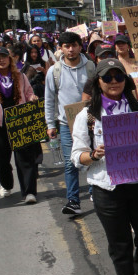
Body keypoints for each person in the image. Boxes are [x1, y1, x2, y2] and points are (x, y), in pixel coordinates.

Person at [71, 59, 138, 275]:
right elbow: (77, 157)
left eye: (118, 76)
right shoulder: (87, 116)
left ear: (125, 80)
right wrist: (94, 154)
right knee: (119, 245)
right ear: (98, 82)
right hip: (107, 189)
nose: (113, 82)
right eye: (107, 77)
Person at [44, 31, 96, 215]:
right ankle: (73, 200)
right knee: (70, 163)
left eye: (74, 45)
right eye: (66, 46)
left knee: (92, 158)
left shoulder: (91, 67)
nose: (71, 49)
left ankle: (94, 192)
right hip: (66, 124)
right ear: (61, 49)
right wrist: (50, 124)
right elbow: (49, 100)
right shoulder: (54, 71)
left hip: (90, 122)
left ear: (80, 46)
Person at [0, 45, 41, 203]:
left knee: (25, 158)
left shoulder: (20, 77)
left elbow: (28, 92)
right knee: (1, 160)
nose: (1, 60)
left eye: (4, 57)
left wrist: (32, 98)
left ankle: (29, 192)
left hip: (19, 120)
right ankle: (7, 184)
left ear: (10, 59)